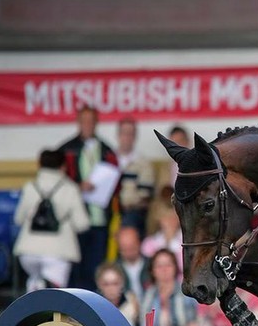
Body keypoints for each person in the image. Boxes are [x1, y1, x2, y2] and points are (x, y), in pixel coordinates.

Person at [58, 105, 119, 291]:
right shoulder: (66, 149)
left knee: (96, 268)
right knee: (75, 269)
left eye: (91, 121)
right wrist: (78, 186)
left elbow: (117, 182)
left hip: (100, 218)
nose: (87, 125)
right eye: (84, 121)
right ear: (78, 123)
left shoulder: (107, 150)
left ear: (97, 123)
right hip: (74, 221)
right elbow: (58, 184)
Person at [13, 150, 90, 292]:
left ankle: (34, 289)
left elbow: (18, 219)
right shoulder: (70, 188)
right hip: (58, 252)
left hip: (28, 251)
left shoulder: (30, 187)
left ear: (39, 165)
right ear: (63, 167)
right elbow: (82, 224)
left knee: (35, 289)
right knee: (54, 297)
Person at [140, 248, 198, 326]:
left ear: (175, 268)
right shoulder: (147, 295)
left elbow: (194, 322)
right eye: (159, 266)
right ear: (152, 270)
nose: (164, 269)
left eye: (168, 265)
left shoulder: (187, 293)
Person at [116, 117, 155, 240]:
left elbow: (144, 197)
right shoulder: (109, 159)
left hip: (131, 211)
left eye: (130, 133)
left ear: (135, 136)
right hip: (108, 211)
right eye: (124, 133)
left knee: (130, 219)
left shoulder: (143, 163)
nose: (127, 137)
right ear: (118, 135)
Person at [95, 262, 139, 326]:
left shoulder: (132, 302)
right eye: (106, 284)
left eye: (115, 283)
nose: (111, 288)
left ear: (122, 283)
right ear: (99, 285)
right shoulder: (93, 306)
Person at [114, 226, 151, 304]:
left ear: (139, 243)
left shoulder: (152, 265)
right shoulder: (114, 270)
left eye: (132, 246)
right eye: (124, 248)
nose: (129, 251)